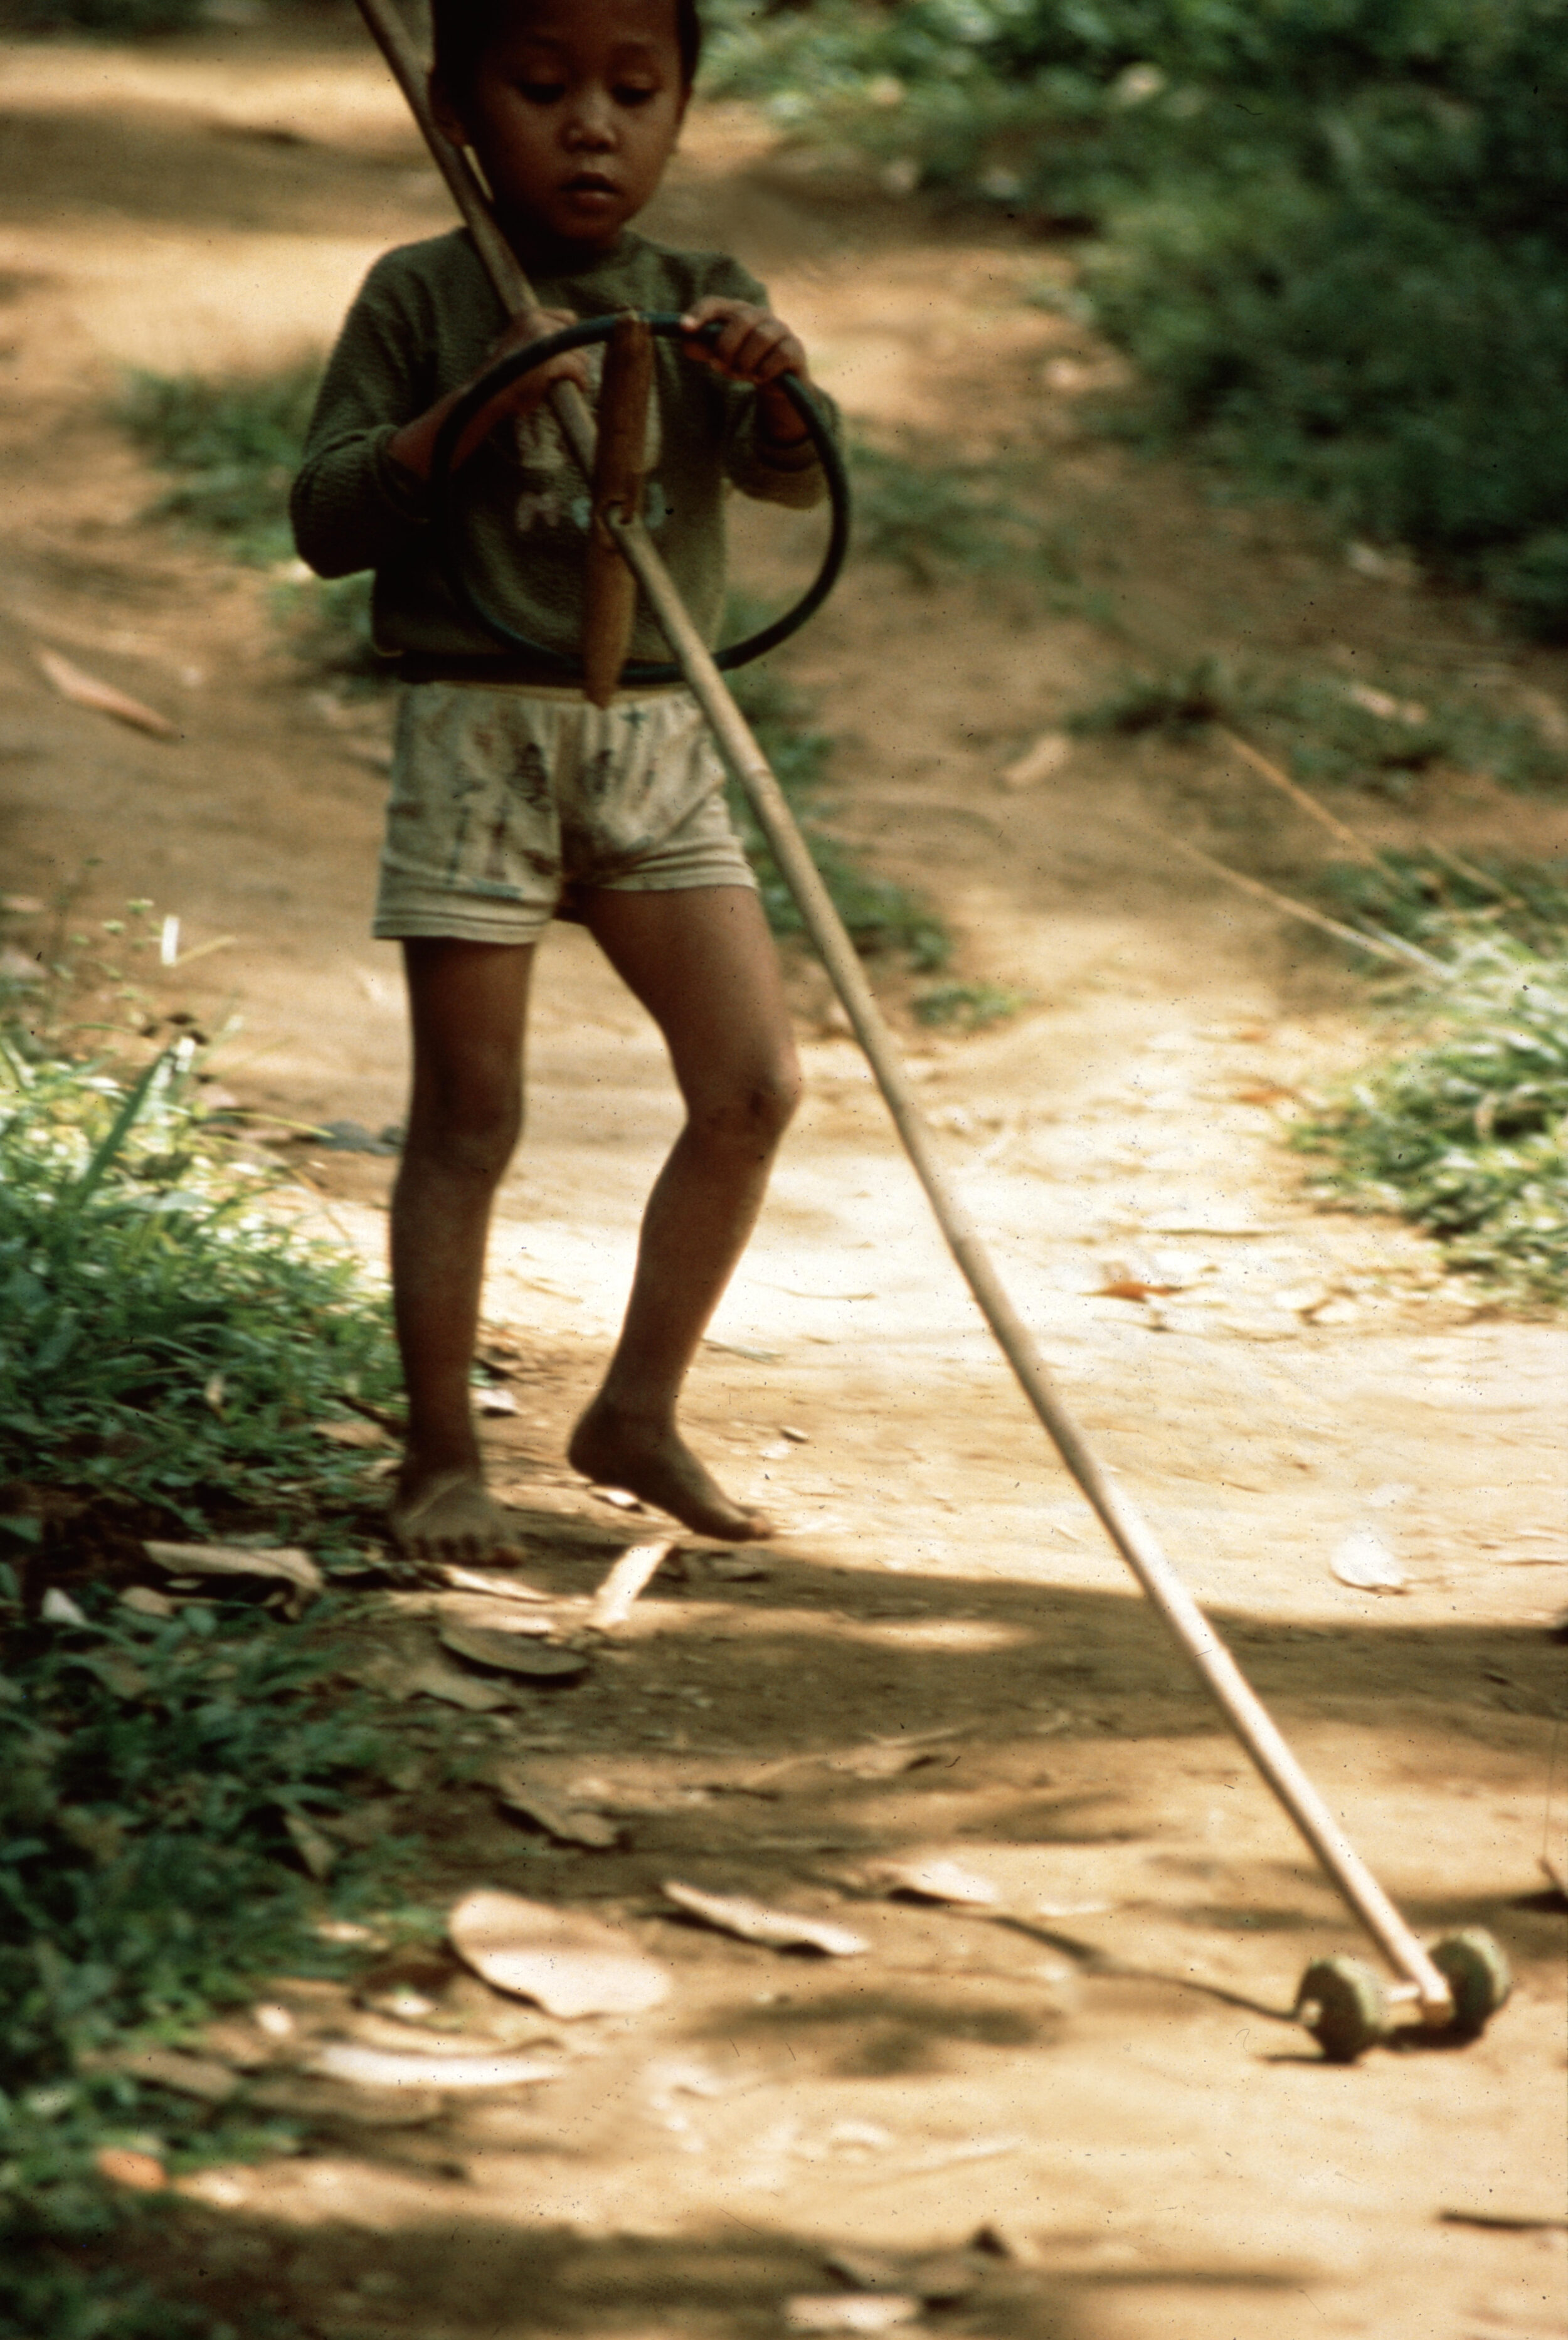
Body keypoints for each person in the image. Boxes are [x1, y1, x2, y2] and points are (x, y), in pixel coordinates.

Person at [290, 0, 835, 1562]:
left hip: (659, 738)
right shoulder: (422, 294)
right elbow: (327, 519)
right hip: (482, 735)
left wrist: (777, 382)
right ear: (458, 106)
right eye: (540, 89)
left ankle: (637, 1413)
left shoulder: (696, 295)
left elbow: (788, 473)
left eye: (633, 91)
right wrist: (470, 415)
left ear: (677, 112)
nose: (589, 125)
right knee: (468, 1114)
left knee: (751, 1088)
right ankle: (439, 1460)